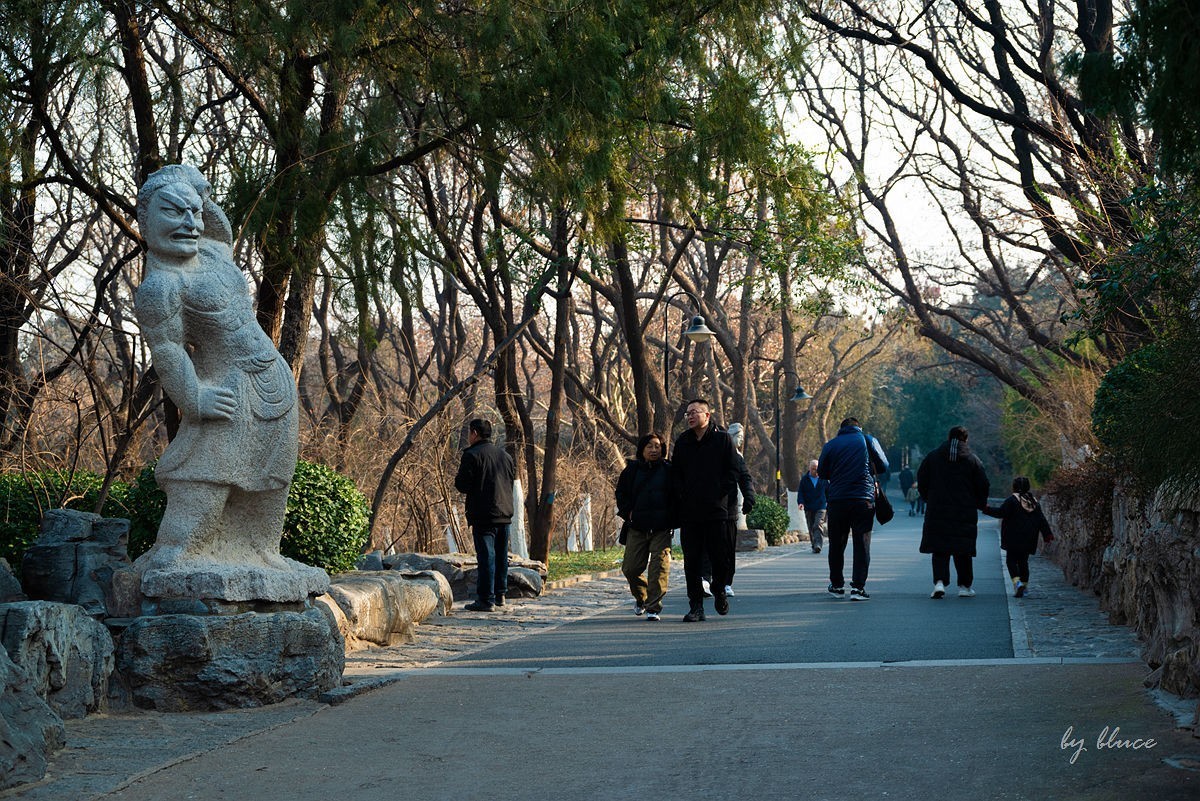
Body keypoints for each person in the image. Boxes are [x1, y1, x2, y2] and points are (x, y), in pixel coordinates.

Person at [133, 164, 326, 599]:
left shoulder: (212, 254)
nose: (189, 223)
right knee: (206, 473)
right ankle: (178, 553)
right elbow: (167, 350)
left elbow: (221, 229)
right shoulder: (161, 286)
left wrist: (196, 190)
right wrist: (194, 398)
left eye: (194, 213)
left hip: (273, 383)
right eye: (173, 212)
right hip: (227, 389)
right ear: (145, 220)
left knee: (274, 478)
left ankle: (261, 551)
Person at [672, 399, 749, 622]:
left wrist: (720, 493)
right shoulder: (683, 441)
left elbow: (734, 470)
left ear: (707, 415)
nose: (690, 416)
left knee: (720, 557)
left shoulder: (722, 439)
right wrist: (681, 495)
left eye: (694, 412)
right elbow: (676, 473)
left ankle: (719, 589)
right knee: (692, 561)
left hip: (716, 510)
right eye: (687, 413)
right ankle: (696, 606)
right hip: (690, 512)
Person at [817, 417, 889, 601]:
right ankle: (858, 588)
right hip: (863, 500)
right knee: (862, 544)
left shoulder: (831, 445)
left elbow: (822, 472)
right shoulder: (868, 440)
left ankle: (837, 585)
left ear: (841, 429)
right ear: (859, 428)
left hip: (837, 500)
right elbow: (884, 465)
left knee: (836, 544)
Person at [917, 426, 990, 599]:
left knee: (939, 548)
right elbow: (983, 484)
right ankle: (964, 586)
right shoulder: (972, 460)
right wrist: (979, 503)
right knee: (963, 549)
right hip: (964, 511)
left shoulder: (933, 457)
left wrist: (929, 498)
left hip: (937, 510)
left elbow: (922, 479)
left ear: (948, 437)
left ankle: (939, 583)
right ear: (966, 439)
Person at [454, 418, 517, 612]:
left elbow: (462, 485)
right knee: (500, 556)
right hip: (505, 513)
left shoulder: (471, 455)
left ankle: (486, 599)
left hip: (483, 514)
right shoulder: (505, 456)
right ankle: (500, 595)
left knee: (486, 556)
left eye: (469, 433)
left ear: (474, 433)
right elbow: (510, 482)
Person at [615, 433, 675, 621]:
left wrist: (672, 517)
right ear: (642, 449)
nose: (654, 450)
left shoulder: (669, 470)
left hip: (661, 528)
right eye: (649, 446)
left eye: (657, 446)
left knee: (659, 568)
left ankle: (653, 607)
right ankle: (642, 597)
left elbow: (678, 495)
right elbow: (621, 494)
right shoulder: (632, 470)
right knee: (630, 569)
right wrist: (628, 513)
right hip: (637, 527)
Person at [983, 476, 1054, 597]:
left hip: (1013, 537)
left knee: (1011, 561)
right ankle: (1024, 586)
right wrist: (1047, 534)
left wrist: (987, 509)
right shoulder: (1034, 502)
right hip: (1029, 538)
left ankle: (1017, 583)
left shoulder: (1011, 501)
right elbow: (1041, 519)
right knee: (1023, 562)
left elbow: (1001, 513)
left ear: (1014, 487)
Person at [797, 459, 828, 553]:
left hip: (821, 506)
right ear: (809, 469)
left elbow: (829, 491)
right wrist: (801, 503)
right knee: (811, 526)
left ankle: (818, 544)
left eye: (817, 469)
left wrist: (830, 502)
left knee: (817, 524)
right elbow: (801, 492)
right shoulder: (804, 479)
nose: (815, 471)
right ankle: (814, 544)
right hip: (809, 506)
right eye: (813, 469)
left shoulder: (824, 478)